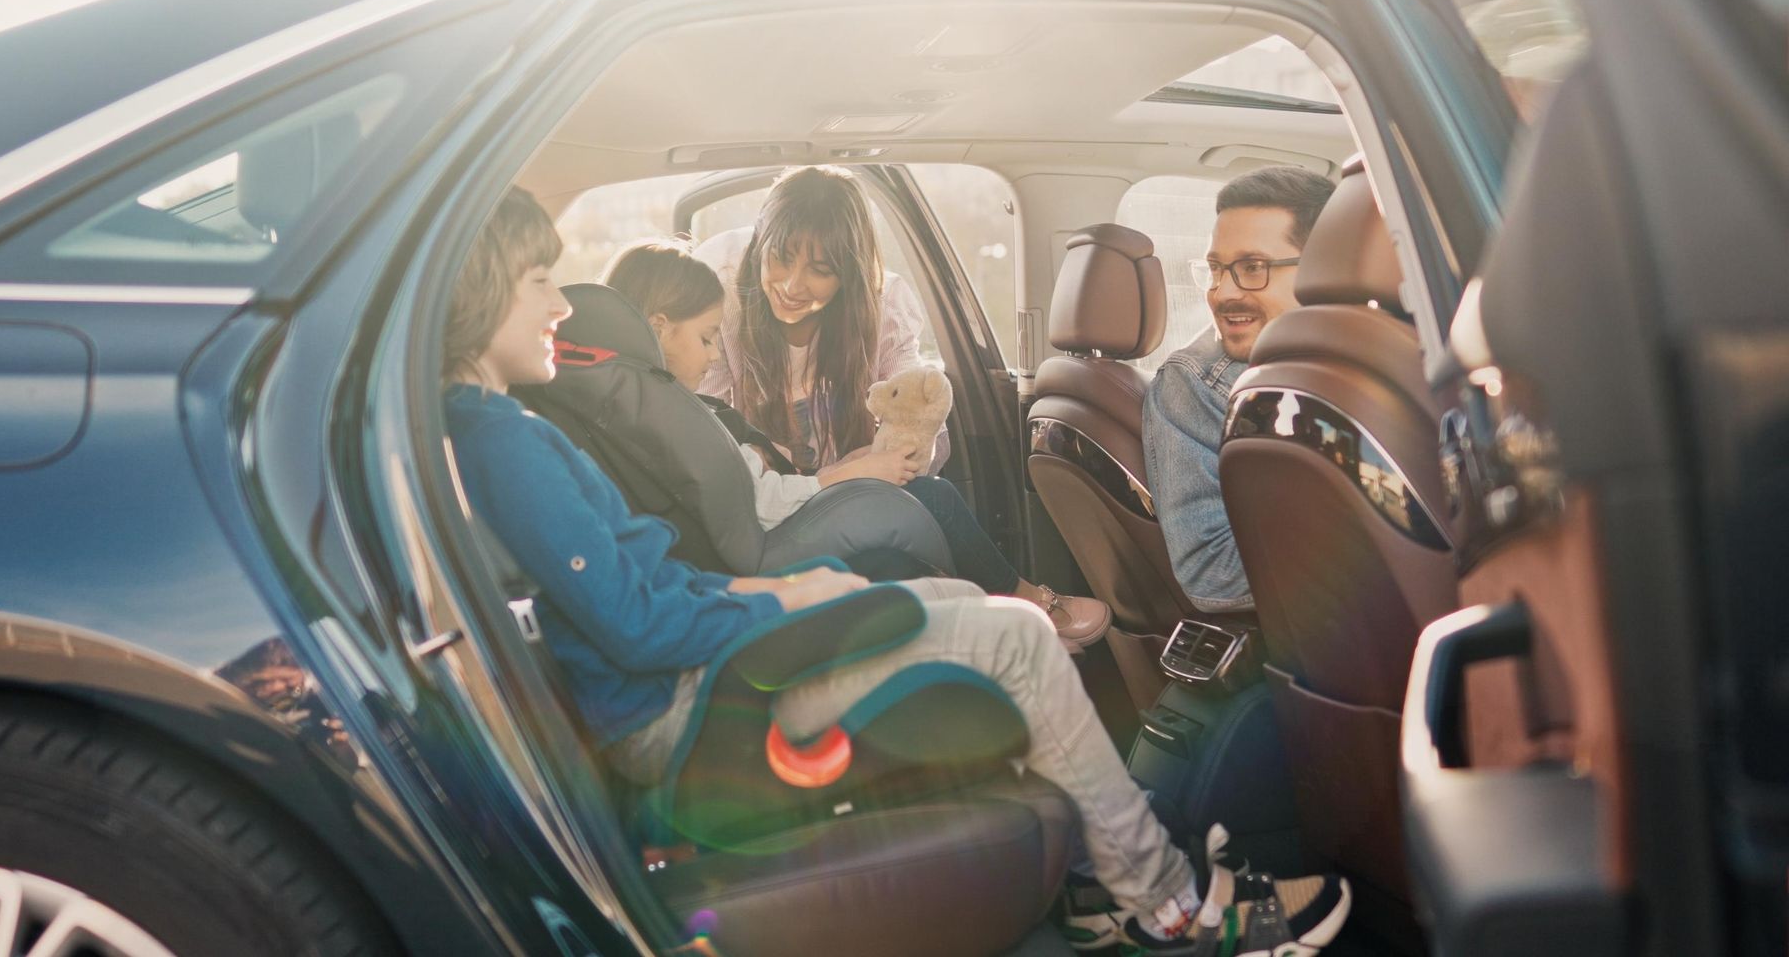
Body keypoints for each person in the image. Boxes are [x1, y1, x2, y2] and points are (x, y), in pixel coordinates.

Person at [440, 187, 1350, 955]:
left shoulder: (503, 430)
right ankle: (1170, 906)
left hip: (692, 673)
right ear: (482, 293)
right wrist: (784, 603)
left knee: (957, 593)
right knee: (1019, 636)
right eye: (538, 283)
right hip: (689, 709)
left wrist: (772, 591)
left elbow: (646, 594)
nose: (562, 305)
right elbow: (640, 627)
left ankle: (1091, 880)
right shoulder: (504, 444)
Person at [602, 237, 1104, 638]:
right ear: (659, 328)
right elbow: (759, 499)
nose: (715, 356)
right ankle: (1029, 605)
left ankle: (1012, 608)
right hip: (758, 543)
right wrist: (851, 473)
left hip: (754, 530)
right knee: (935, 496)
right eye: (708, 338)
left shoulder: (652, 402)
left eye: (819, 269)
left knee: (904, 537)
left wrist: (846, 467)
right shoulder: (671, 412)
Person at [1141, 166, 1336, 612]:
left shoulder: (1385, 353)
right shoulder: (1198, 384)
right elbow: (1212, 574)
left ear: (1324, 266)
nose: (1222, 292)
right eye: (1215, 268)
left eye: (1253, 268)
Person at [694, 164, 945, 475]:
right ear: (760, 245)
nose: (791, 286)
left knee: (937, 494)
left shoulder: (884, 305)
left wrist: (872, 461)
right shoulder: (723, 298)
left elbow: (915, 417)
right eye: (780, 258)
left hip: (855, 487)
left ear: (848, 276)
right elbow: (706, 426)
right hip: (765, 494)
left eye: (820, 270)